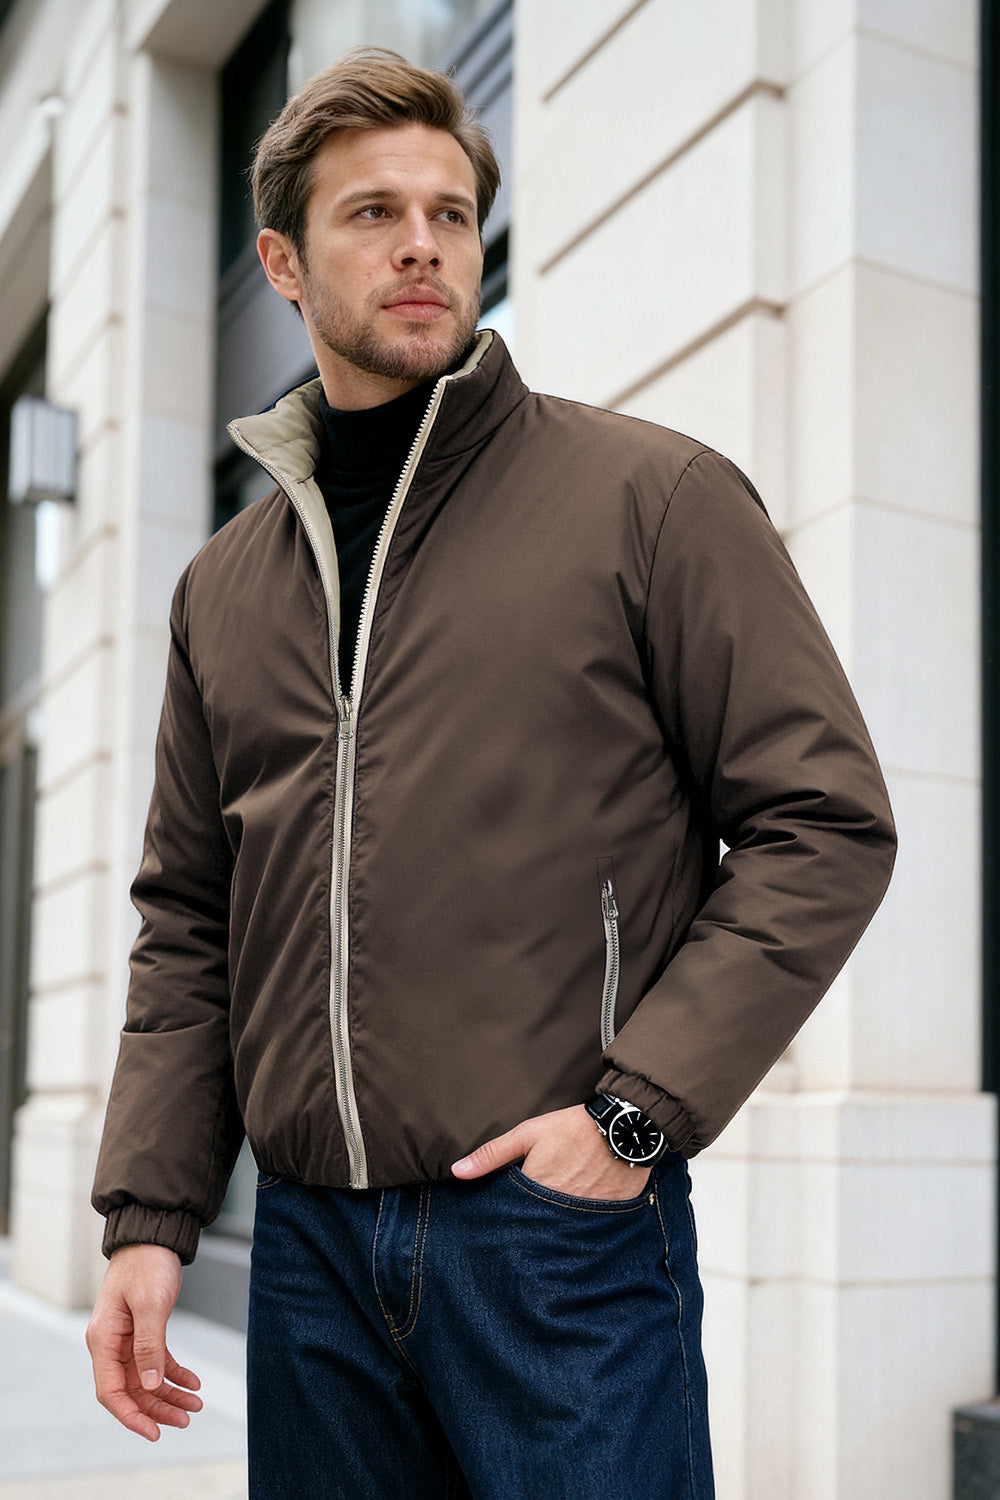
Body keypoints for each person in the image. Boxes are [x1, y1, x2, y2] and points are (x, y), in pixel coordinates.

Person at [85, 46, 896, 1500]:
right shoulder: (225, 588)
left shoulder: (650, 499)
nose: (422, 245)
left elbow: (822, 822)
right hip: (310, 1255)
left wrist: (633, 1116)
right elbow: (191, 920)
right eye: (374, 213)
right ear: (280, 261)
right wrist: (150, 1213)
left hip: (555, 1239)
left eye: (451, 215)